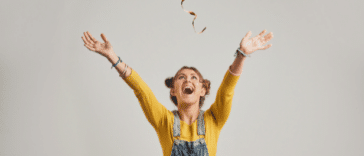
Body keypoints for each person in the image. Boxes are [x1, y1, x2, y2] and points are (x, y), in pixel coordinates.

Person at [81, 30, 273, 156]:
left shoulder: (215, 119)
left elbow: (227, 90)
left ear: (203, 90)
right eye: (181, 77)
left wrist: (242, 54)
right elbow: (141, 90)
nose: (188, 80)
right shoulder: (164, 121)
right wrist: (112, 57)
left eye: (194, 78)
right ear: (173, 90)